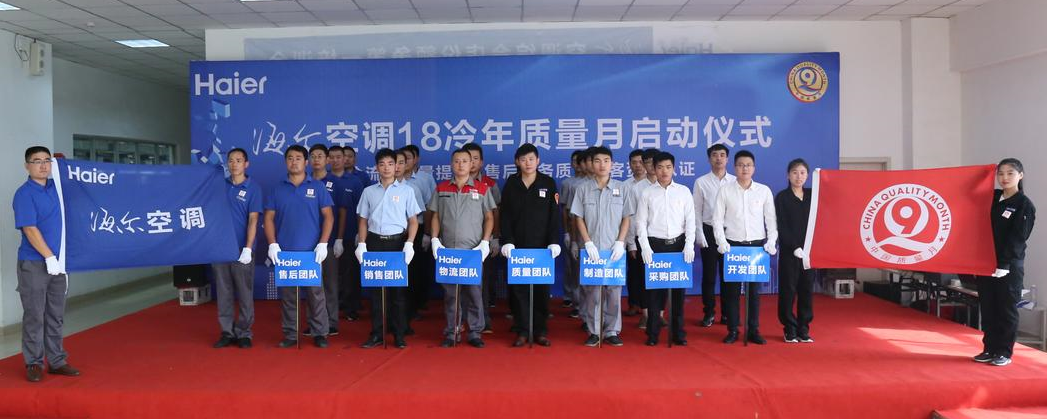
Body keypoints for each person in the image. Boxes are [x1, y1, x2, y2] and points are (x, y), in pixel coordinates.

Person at [13, 146, 80, 382]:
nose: (43, 165)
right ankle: (33, 362)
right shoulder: (24, 194)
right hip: (34, 263)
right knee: (35, 314)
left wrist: (64, 165)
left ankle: (57, 361)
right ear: (27, 166)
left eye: (47, 160)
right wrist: (49, 257)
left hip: (59, 263)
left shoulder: (56, 188)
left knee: (56, 313)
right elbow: (30, 229)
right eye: (37, 161)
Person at [265, 145, 335, 349]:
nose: (294, 161)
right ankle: (291, 334)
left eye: (298, 158)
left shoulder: (318, 187)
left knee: (316, 294)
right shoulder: (278, 188)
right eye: (290, 158)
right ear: (285, 162)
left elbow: (328, 217)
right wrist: (272, 244)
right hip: (286, 253)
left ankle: (319, 332)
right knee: (289, 296)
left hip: (312, 253)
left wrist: (323, 243)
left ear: (306, 162)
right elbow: (268, 218)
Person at [355, 148, 422, 349]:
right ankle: (377, 333)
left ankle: (399, 334)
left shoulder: (407, 191)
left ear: (397, 166)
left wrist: (409, 243)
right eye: (382, 164)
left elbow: (413, 221)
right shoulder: (369, 191)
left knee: (398, 293)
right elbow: (363, 220)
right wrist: (362, 244)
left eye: (391, 164)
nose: (387, 168)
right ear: (377, 167)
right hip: (375, 242)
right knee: (377, 292)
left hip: (397, 243)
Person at [430, 148, 496, 348]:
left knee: (474, 292)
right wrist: (434, 239)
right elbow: (435, 216)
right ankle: (453, 331)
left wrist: (485, 242)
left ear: (471, 164)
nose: (460, 165)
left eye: (465, 161)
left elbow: (489, 217)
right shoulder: (442, 188)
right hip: (448, 251)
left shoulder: (482, 188)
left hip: (472, 251)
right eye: (457, 161)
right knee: (451, 294)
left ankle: (475, 332)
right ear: (452, 164)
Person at [974, 158, 1036, 367]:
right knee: (988, 308)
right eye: (1000, 173)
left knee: (1006, 309)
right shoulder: (992, 198)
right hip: (985, 263)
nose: (1004, 178)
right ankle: (989, 348)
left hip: (1008, 267)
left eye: (1010, 173)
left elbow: (1018, 238)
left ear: (1021, 175)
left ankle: (1004, 352)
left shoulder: (1024, 205)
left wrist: (1004, 264)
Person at [712, 150, 777, 345]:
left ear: (754, 168)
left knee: (753, 292)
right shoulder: (725, 190)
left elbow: (771, 219)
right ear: (735, 167)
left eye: (748, 165)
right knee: (731, 292)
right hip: (732, 247)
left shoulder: (763, 191)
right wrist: (721, 242)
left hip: (756, 247)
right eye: (740, 165)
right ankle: (732, 329)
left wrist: (771, 240)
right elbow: (717, 220)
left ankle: (753, 330)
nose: (744, 168)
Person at [500, 144, 562, 347]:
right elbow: (505, 215)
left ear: (538, 161)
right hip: (517, 247)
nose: (527, 163)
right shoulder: (511, 183)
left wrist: (554, 241)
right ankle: (523, 330)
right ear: (517, 162)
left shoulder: (548, 183)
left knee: (541, 290)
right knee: (519, 290)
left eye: (531, 159)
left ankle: (540, 330)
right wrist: (507, 241)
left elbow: (554, 216)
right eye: (523, 159)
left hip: (542, 247)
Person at [571, 146, 631, 347]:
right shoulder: (583, 189)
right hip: (592, 249)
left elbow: (626, 217)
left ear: (612, 164)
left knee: (613, 292)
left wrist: (620, 242)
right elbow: (578, 218)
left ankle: (612, 330)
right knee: (593, 293)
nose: (602, 165)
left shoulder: (622, 188)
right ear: (591, 164)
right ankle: (594, 331)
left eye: (606, 161)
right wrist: (587, 242)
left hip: (614, 249)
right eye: (597, 161)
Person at [635, 152, 695, 346]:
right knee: (654, 293)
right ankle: (652, 334)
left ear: (674, 169)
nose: (664, 171)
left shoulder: (684, 192)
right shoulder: (647, 193)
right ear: (654, 169)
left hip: (678, 245)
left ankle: (678, 333)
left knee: (678, 293)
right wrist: (645, 247)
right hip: (655, 246)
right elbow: (640, 223)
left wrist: (689, 244)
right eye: (660, 167)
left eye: (668, 167)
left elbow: (690, 221)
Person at [212, 148, 262, 349]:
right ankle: (227, 331)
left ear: (246, 164)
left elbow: (253, 219)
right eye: (231, 160)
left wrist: (248, 248)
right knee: (223, 291)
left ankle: (244, 332)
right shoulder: (219, 186)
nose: (234, 164)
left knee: (244, 292)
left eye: (239, 160)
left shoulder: (253, 188)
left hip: (242, 249)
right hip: (220, 248)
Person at [692, 144, 736, 327]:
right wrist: (699, 233)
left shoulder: (735, 181)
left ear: (727, 159)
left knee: (728, 276)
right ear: (709, 159)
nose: (719, 158)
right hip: (709, 232)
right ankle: (709, 312)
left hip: (730, 233)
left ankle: (727, 314)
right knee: (709, 276)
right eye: (715, 155)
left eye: (722, 155)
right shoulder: (701, 182)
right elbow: (696, 210)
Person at [308, 144, 349, 337]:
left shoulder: (335, 182)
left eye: (320, 156)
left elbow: (342, 212)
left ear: (327, 160)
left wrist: (339, 238)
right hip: (308, 242)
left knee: (330, 284)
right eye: (313, 156)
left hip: (330, 241)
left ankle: (331, 321)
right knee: (311, 284)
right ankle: (314, 322)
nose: (316, 159)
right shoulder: (304, 182)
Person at [775, 158, 814, 344]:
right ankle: (789, 329)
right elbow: (781, 225)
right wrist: (794, 246)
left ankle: (803, 329)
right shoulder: (782, 197)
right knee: (788, 290)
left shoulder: (813, 196)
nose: (799, 176)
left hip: (809, 253)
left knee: (806, 290)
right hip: (790, 253)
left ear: (807, 175)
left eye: (803, 173)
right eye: (795, 172)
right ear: (788, 175)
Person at [463, 142, 501, 333]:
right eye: (468, 158)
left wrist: (495, 237)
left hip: (482, 241)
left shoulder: (489, 184)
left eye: (475, 158)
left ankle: (483, 319)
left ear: (481, 162)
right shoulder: (454, 184)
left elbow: (496, 212)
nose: (471, 162)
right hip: (461, 242)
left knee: (482, 282)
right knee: (461, 282)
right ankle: (460, 320)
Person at [328, 146, 365, 322]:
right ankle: (332, 307)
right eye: (332, 157)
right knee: (330, 275)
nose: (335, 160)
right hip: (327, 236)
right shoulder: (322, 180)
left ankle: (351, 307)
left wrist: (360, 233)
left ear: (345, 159)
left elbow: (362, 209)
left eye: (339, 157)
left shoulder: (355, 182)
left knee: (350, 273)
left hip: (350, 234)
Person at [403, 145, 437, 322]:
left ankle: (416, 304)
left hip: (418, 229)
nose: (403, 163)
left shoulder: (424, 179)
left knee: (417, 270)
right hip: (396, 233)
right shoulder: (388, 183)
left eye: (407, 159)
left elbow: (430, 207)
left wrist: (428, 234)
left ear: (416, 159)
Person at [560, 149, 587, 317]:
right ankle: (573, 298)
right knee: (572, 268)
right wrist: (567, 233)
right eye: (576, 161)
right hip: (575, 231)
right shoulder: (570, 184)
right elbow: (566, 210)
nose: (579, 165)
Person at [622, 149, 647, 318]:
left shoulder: (651, 184)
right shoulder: (624, 185)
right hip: (630, 234)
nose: (637, 165)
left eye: (640, 162)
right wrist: (629, 241)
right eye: (634, 162)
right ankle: (633, 303)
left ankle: (649, 308)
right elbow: (626, 215)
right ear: (629, 164)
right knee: (633, 272)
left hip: (649, 235)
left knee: (647, 273)